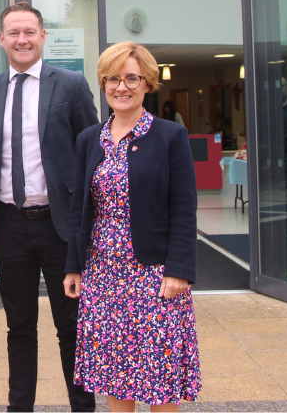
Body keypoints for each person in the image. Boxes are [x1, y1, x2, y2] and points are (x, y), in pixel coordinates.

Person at [64, 41, 202, 412]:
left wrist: (179, 270)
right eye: (112, 79)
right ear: (103, 83)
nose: (120, 87)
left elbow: (184, 208)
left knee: (159, 377)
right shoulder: (88, 139)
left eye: (131, 78)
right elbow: (81, 207)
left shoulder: (169, 136)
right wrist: (74, 265)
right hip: (103, 273)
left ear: (148, 83)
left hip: (154, 273)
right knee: (114, 373)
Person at [0, 2, 98, 413]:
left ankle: (82, 407)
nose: (22, 40)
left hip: (59, 228)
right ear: (2, 39)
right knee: (19, 327)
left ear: (43, 36)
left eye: (30, 32)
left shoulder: (71, 85)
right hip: (9, 225)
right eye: (14, 33)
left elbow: (91, 151)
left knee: (71, 327)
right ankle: (19, 407)